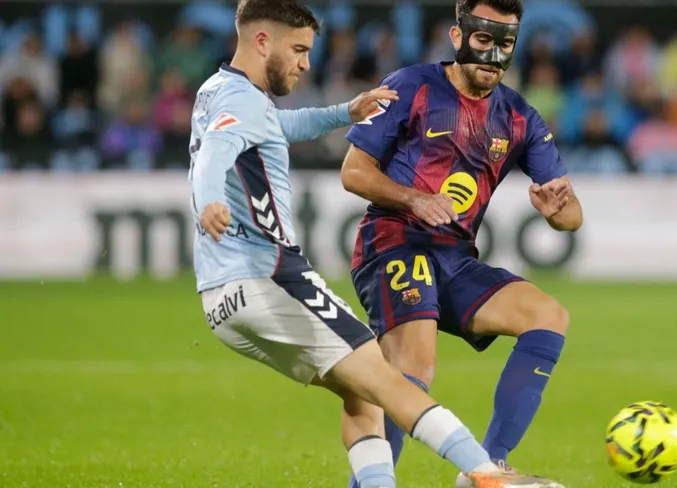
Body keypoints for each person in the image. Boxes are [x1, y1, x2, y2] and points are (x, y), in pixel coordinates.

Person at [189, 1, 566, 487]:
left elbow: (281, 127)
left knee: (362, 394)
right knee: (389, 380)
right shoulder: (242, 101)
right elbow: (213, 156)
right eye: (299, 50)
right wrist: (208, 199)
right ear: (263, 42)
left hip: (220, 297)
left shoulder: (218, 92)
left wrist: (344, 112)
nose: (306, 63)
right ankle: (486, 474)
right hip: (270, 276)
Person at [340, 0, 583, 486]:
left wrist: (558, 212)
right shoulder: (411, 86)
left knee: (548, 316)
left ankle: (486, 470)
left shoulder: (519, 117)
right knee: (414, 365)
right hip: (395, 241)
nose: (493, 57)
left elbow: (571, 213)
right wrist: (414, 198)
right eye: (483, 40)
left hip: (455, 259)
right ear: (458, 37)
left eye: (505, 45)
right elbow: (353, 172)